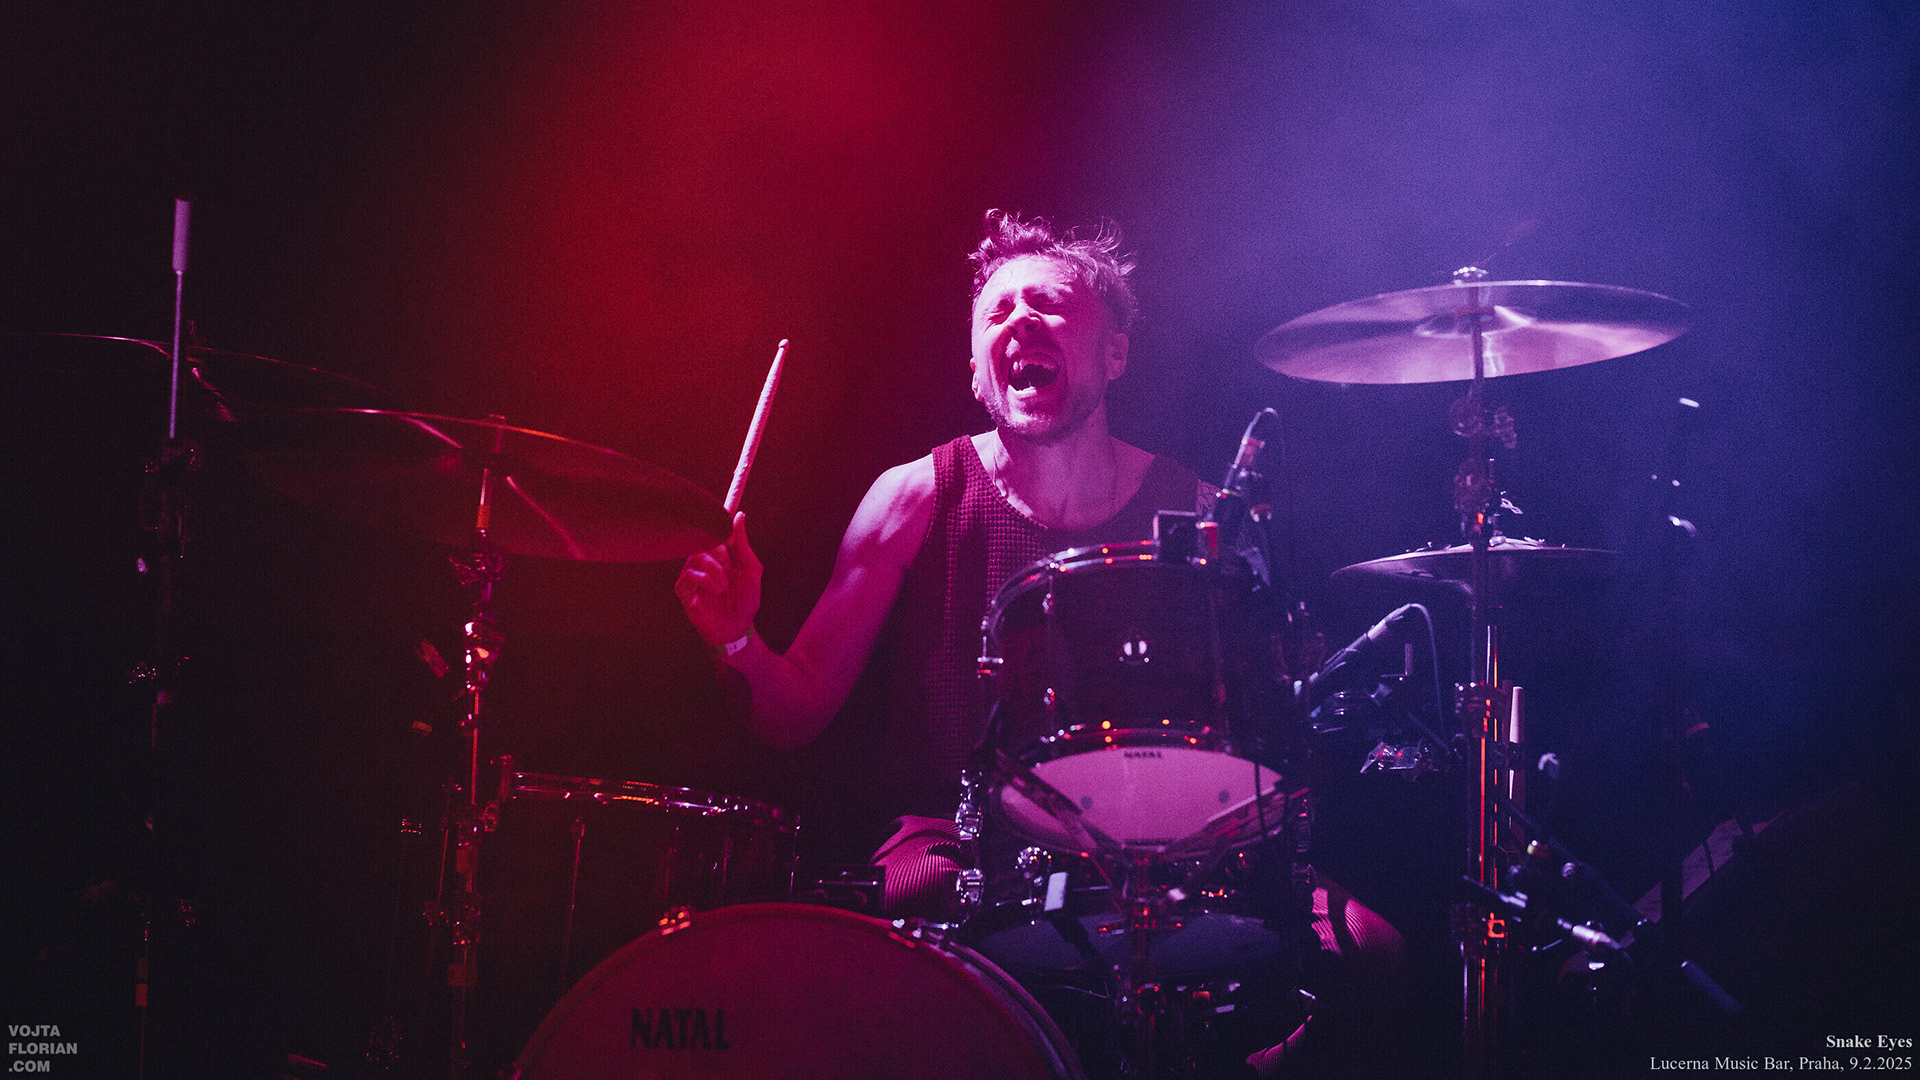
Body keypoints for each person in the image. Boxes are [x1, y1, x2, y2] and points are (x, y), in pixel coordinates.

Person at [675, 210, 1403, 1075]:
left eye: (1050, 304)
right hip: (957, 846)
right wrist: (735, 640)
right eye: (998, 311)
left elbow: (1258, 742)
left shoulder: (1200, 515)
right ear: (976, 371)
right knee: (895, 915)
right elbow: (793, 712)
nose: (1021, 319)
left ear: (1115, 353)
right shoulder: (916, 496)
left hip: (1168, 849)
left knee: (1374, 950)